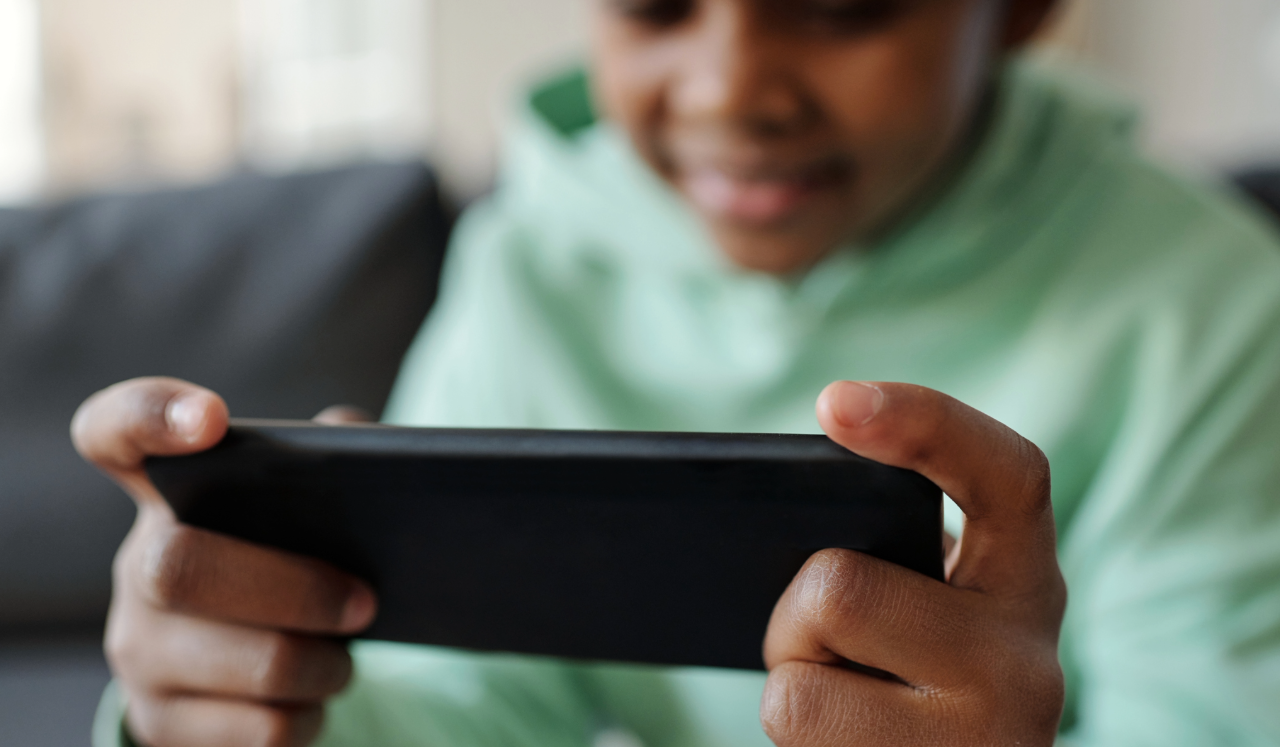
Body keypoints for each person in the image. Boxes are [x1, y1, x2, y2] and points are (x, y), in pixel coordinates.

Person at [75, 0, 1280, 745]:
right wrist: (245, 705)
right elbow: (470, 709)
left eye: (839, 6)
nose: (728, 91)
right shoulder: (527, 260)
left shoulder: (1216, 303)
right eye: (653, 7)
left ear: (1019, 9)